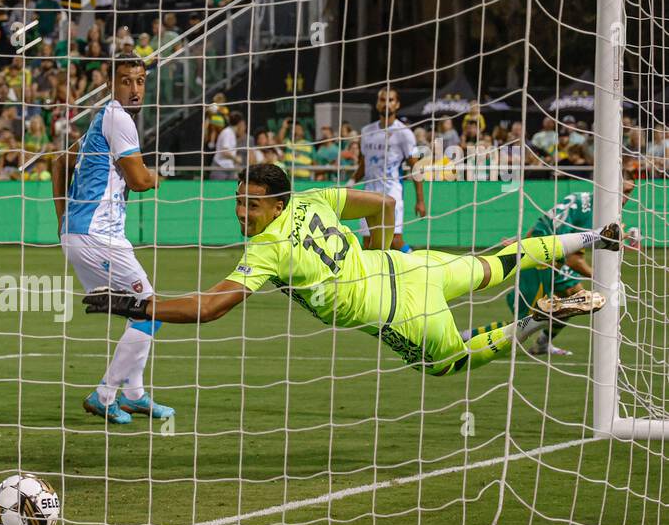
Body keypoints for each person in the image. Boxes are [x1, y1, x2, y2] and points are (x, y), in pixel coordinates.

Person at [83, 163, 618, 379]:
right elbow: (386, 204)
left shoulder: (266, 252)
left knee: (446, 362)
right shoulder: (314, 199)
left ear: (275, 206)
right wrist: (384, 253)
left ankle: (528, 328)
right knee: (495, 261)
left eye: (251, 204)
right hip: (410, 266)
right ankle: (593, 236)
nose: (241, 212)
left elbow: (212, 308)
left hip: (397, 312)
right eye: (239, 201)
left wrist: (138, 304)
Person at [53, 56, 171, 424]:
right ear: (110, 85)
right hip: (97, 235)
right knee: (151, 311)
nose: (134, 89)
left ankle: (133, 394)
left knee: (140, 309)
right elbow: (137, 180)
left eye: (140, 81)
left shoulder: (102, 119)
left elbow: (58, 162)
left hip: (88, 233)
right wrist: (156, 176)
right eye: (126, 81)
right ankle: (105, 394)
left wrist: (63, 222)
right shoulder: (119, 118)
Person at [467, 180, 637, 357]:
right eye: (622, 191)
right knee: (525, 321)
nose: (625, 198)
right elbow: (573, 260)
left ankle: (542, 343)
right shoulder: (593, 212)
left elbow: (544, 224)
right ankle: (466, 337)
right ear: (609, 187)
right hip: (542, 259)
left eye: (628, 194)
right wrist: (604, 279)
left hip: (548, 254)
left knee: (576, 300)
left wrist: (524, 242)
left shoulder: (583, 199)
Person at [353, 87, 424, 251]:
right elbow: (363, 164)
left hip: (392, 192)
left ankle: (416, 266)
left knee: (395, 240)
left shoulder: (405, 133)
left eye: (390, 100)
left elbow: (416, 166)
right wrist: (350, 182)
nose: (386, 104)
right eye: (382, 100)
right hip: (368, 192)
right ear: (377, 104)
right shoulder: (366, 132)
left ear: (397, 104)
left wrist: (420, 200)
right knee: (368, 243)